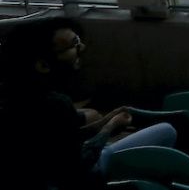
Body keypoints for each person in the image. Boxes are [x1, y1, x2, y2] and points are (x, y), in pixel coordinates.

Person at [0, 17, 177, 188]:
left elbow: (59, 139)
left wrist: (103, 122)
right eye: (73, 43)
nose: (81, 47)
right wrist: (109, 128)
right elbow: (78, 164)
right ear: (42, 66)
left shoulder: (13, 96)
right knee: (166, 131)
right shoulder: (54, 104)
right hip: (71, 178)